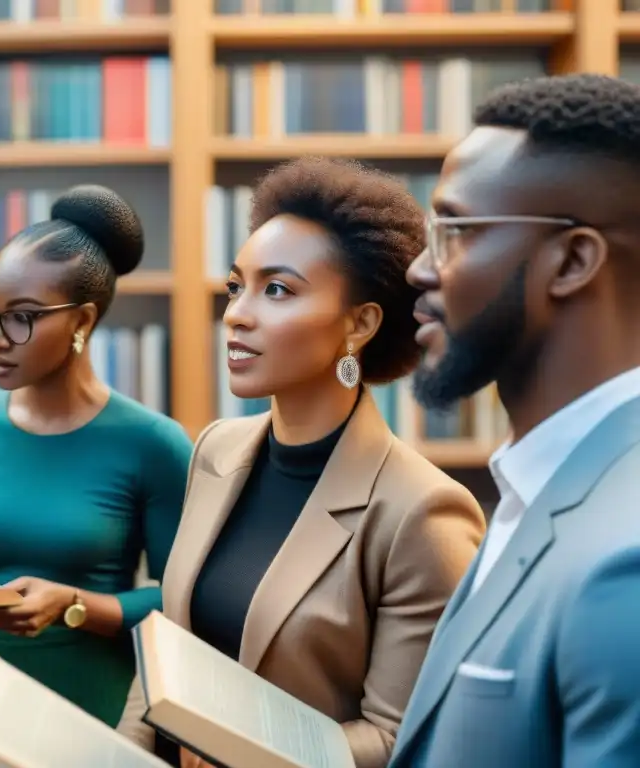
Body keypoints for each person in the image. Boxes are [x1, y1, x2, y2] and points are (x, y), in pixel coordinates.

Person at [117, 157, 486, 768]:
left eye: (278, 289)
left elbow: (401, 739)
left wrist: (237, 745)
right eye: (237, 286)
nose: (236, 312)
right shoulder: (215, 450)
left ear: (360, 324)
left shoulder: (422, 514)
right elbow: (168, 653)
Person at [390, 73, 640, 768]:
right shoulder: (538, 486)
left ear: (574, 260)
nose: (418, 270)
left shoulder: (627, 561)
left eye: (454, 232)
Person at [0, 184, 194, 727]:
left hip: (89, 703)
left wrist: (74, 604)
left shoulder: (153, 443)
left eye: (22, 317)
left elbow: (185, 606)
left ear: (82, 322)